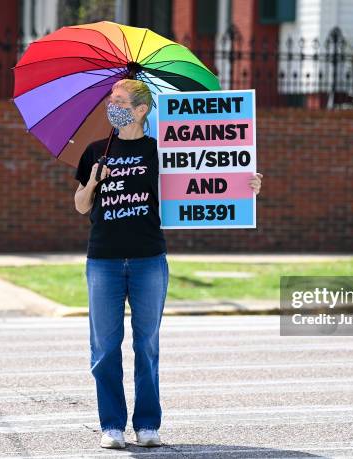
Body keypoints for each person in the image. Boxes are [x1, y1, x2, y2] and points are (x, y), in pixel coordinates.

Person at [73, 79, 263, 449]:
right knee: (104, 347)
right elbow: (81, 205)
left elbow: (206, 176)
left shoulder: (161, 151)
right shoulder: (96, 151)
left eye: (120, 101)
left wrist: (246, 185)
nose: (112, 106)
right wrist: (93, 181)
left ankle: (147, 424)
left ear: (141, 110)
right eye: (111, 100)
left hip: (148, 260)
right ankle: (111, 425)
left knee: (146, 345)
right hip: (104, 261)